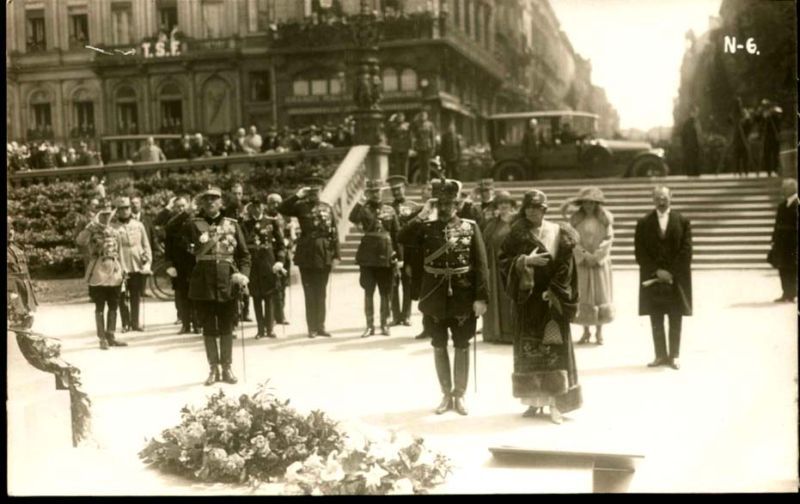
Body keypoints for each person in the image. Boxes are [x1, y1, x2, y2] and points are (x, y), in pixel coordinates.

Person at [398, 178, 490, 416]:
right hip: (434, 296)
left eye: (451, 203)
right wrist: (423, 213)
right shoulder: (426, 227)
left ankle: (459, 396)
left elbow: (481, 265)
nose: (446, 207)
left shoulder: (470, 227)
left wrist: (482, 298)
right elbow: (402, 236)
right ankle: (445, 394)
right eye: (441, 203)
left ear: (458, 204)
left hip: (463, 294)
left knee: (461, 346)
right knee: (439, 346)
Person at [498, 190, 581, 424]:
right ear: (524, 210)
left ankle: (557, 404)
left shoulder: (559, 232)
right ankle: (534, 401)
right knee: (530, 350)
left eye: (538, 207)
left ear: (545, 209)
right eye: (529, 208)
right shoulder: (517, 235)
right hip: (528, 300)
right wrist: (525, 261)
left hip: (552, 299)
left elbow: (567, 266)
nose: (533, 211)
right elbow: (503, 261)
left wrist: (554, 291)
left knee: (555, 350)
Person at [183, 187, 251, 385]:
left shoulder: (232, 225)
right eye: (207, 200)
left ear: (221, 203)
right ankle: (213, 368)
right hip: (203, 283)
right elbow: (184, 254)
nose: (211, 203)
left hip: (227, 281)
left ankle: (227, 367)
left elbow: (245, 255)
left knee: (227, 326)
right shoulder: (193, 225)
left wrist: (243, 275)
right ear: (202, 203)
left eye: (215, 199)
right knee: (209, 327)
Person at [634, 186, 693, 370]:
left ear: (671, 198)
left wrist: (671, 272)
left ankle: (674, 355)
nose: (661, 201)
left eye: (664, 197)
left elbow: (687, 250)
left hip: (676, 278)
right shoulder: (643, 222)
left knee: (676, 317)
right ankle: (660, 355)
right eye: (657, 197)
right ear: (652, 199)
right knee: (656, 317)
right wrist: (657, 271)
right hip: (653, 277)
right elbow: (640, 252)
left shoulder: (682, 221)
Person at [278, 176, 340, 338]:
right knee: (309, 292)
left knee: (321, 292)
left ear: (321, 190)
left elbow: (334, 232)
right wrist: (298, 195)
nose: (313, 193)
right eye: (310, 190)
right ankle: (311, 327)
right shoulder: (300, 207)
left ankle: (321, 326)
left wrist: (336, 256)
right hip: (306, 254)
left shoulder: (327, 207)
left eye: (316, 190)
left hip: (324, 253)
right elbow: (282, 208)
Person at [561, 187, 615, 345]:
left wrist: (597, 255)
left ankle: (599, 332)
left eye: (592, 203)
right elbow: (571, 239)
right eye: (586, 203)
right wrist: (583, 254)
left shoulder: (605, 219)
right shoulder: (576, 220)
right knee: (583, 294)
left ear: (597, 204)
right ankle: (585, 331)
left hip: (599, 263)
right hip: (582, 263)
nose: (589, 206)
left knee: (600, 295)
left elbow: (608, 239)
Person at [350, 179, 400, 337]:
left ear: (382, 192)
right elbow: (352, 218)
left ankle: (384, 324)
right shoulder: (364, 209)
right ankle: (369, 325)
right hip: (368, 254)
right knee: (368, 290)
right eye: (372, 191)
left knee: (385, 291)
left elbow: (396, 234)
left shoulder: (390, 210)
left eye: (378, 191)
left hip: (386, 254)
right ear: (368, 193)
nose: (376, 194)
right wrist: (360, 202)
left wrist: (400, 256)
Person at [77, 208, 127, 349]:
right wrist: (89, 227)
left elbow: (120, 252)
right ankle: (102, 338)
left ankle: (111, 335)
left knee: (114, 305)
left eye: (108, 215)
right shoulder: (91, 232)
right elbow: (80, 241)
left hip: (115, 272)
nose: (105, 218)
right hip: (98, 272)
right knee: (99, 306)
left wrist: (124, 269)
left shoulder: (115, 232)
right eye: (102, 215)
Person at [242, 198, 286, 339]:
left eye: (259, 206)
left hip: (268, 264)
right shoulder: (245, 224)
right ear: (250, 208)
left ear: (263, 207)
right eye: (254, 206)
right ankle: (260, 330)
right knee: (256, 298)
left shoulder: (271, 222)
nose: (257, 209)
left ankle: (270, 329)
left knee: (269, 297)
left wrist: (280, 261)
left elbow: (280, 245)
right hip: (253, 265)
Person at [111, 197, 152, 333]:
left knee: (135, 294)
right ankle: (125, 323)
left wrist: (147, 261)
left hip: (136, 264)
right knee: (122, 295)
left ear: (130, 209)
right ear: (117, 211)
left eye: (127, 208)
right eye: (121, 209)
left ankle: (135, 322)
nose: (124, 211)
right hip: (121, 265)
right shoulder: (113, 227)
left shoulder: (138, 225)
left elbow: (146, 245)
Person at [481, 191, 516, 344]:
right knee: (494, 298)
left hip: (511, 266)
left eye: (506, 202)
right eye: (500, 203)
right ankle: (494, 333)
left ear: (511, 205)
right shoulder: (492, 224)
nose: (503, 206)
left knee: (509, 299)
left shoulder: (517, 222)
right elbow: (484, 243)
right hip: (494, 268)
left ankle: (511, 334)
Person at [387, 175, 421, 327]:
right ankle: (395, 316)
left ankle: (406, 315)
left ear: (404, 188)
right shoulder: (387, 208)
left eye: (399, 189)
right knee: (393, 283)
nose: (396, 192)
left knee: (407, 283)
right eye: (393, 190)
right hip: (393, 249)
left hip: (408, 250)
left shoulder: (414, 206)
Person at [164, 196, 200, 334]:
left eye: (183, 206)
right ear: (174, 208)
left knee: (195, 294)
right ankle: (185, 324)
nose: (181, 209)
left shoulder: (195, 221)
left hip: (193, 263)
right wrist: (169, 265)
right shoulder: (172, 223)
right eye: (178, 206)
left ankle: (197, 324)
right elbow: (168, 246)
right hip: (179, 265)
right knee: (182, 296)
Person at [768, 178, 797, 302]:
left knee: (793, 269)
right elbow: (777, 224)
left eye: (784, 188)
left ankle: (793, 293)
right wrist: (774, 239)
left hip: (793, 243)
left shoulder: (797, 203)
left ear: (792, 189)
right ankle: (786, 293)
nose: (782, 190)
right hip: (782, 243)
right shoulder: (782, 205)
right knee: (783, 268)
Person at [7, 217, 38, 330]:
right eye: (7, 229)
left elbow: (25, 273)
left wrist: (31, 296)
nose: (10, 232)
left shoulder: (17, 249)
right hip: (11, 295)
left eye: (12, 229)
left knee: (26, 324)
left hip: (23, 293)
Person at [265, 193, 291, 325]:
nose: (275, 205)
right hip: (272, 255)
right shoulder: (265, 218)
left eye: (278, 202)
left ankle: (281, 313)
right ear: (268, 204)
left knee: (284, 285)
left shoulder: (285, 217)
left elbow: (291, 234)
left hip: (285, 255)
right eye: (272, 202)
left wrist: (290, 242)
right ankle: (277, 315)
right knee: (275, 286)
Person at [759, 99, 782, 177]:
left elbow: (779, 114)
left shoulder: (775, 111)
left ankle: (776, 169)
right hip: (767, 136)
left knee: (775, 153)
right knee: (767, 154)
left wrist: (771, 113)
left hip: (774, 135)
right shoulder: (764, 114)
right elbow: (759, 121)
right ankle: (768, 170)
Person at [412, 111, 437, 184]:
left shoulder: (430, 124)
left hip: (427, 146)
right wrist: (415, 145)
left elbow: (432, 136)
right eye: (421, 115)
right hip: (420, 146)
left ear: (427, 116)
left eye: (424, 115)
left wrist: (433, 147)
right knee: (420, 163)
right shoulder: (417, 124)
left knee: (427, 164)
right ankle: (422, 179)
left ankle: (427, 179)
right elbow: (414, 135)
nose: (423, 117)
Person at [388, 113, 412, 178]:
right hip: (396, 147)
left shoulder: (407, 125)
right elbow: (388, 132)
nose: (400, 119)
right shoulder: (393, 126)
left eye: (401, 117)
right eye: (399, 117)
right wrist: (391, 119)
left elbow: (410, 136)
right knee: (397, 165)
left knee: (405, 165)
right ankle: (398, 180)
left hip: (405, 147)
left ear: (404, 118)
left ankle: (405, 179)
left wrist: (410, 147)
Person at [681, 108, 701, 177]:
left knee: (694, 161)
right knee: (691, 161)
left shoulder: (693, 122)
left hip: (693, 146)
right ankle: (692, 174)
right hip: (691, 146)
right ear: (692, 113)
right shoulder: (689, 123)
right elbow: (686, 136)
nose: (697, 114)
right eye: (696, 112)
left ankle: (694, 174)